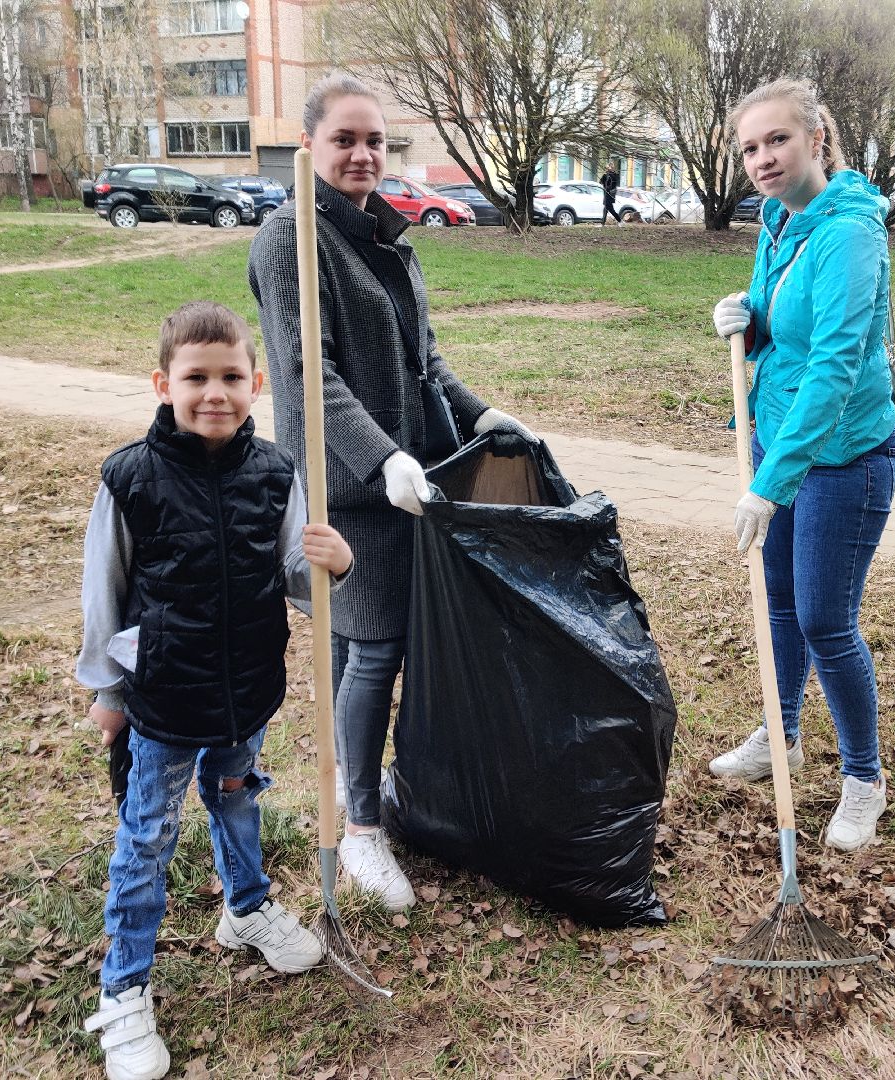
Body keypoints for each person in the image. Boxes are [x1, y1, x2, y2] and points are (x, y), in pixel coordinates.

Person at [248, 73, 537, 913]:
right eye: (344, 140)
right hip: (353, 488)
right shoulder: (289, 240)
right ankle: (362, 831)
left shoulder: (386, 236)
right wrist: (380, 463)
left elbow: (427, 361)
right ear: (309, 147)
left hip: (413, 479)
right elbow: (310, 377)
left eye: (373, 140)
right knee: (372, 649)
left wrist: (483, 416)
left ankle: (353, 793)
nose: (362, 154)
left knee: (361, 650)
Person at [77, 301, 354, 1080]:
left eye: (231, 377)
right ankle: (125, 988)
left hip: (247, 686)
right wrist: (106, 688)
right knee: (148, 838)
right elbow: (106, 590)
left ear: (256, 382)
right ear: (163, 383)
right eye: (195, 378)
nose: (214, 394)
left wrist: (335, 562)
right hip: (162, 696)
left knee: (235, 793)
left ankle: (247, 906)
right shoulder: (130, 477)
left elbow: (298, 580)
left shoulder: (275, 474)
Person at [707, 78, 895, 853]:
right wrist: (745, 322)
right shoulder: (776, 221)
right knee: (779, 603)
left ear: (816, 138)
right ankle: (779, 735)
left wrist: (769, 482)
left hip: (843, 456)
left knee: (825, 619)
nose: (762, 159)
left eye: (777, 141)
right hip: (778, 437)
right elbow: (781, 330)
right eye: (750, 147)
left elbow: (835, 364)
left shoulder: (850, 233)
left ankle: (864, 779)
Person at [600, 163, 623, 227]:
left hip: (610, 195)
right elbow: (601, 182)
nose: (608, 169)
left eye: (609, 167)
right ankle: (603, 223)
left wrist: (608, 174)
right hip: (606, 194)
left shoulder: (614, 175)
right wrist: (605, 175)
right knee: (606, 209)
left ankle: (620, 220)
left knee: (610, 209)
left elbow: (614, 183)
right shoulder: (606, 175)